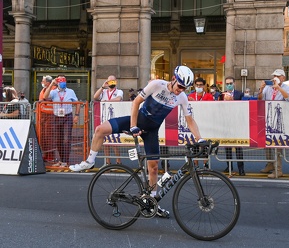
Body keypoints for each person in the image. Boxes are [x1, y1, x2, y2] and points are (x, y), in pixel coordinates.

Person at [69, 66, 205, 217]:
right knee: (100, 130)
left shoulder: (181, 97)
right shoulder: (156, 85)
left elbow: (190, 120)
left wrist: (200, 139)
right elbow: (136, 103)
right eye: (180, 86)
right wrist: (133, 126)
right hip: (136, 122)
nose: (181, 90)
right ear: (173, 79)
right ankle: (89, 161)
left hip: (151, 131)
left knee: (153, 168)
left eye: (185, 88)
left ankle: (152, 203)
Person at [258, 69, 289, 179]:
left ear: (283, 77)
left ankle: (278, 170)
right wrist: (261, 88)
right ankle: (270, 164)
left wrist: (278, 88)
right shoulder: (268, 87)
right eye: (274, 75)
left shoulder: (286, 87)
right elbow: (260, 98)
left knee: (277, 144)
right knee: (267, 143)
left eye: (278, 76)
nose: (275, 77)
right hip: (268, 116)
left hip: (279, 118)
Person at [44, 75, 80, 167]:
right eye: (61, 82)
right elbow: (45, 96)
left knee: (66, 139)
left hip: (67, 117)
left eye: (64, 81)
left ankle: (65, 161)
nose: (63, 83)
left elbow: (77, 103)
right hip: (56, 117)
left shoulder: (70, 91)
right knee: (58, 139)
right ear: (58, 83)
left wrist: (76, 115)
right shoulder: (53, 92)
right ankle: (61, 159)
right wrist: (52, 83)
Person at [93, 75, 124, 167]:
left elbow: (118, 99)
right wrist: (102, 87)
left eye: (113, 81)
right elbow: (95, 97)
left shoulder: (119, 91)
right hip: (104, 118)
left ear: (116, 82)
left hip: (115, 118)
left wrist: (107, 101)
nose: (112, 83)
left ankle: (118, 161)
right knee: (105, 141)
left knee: (114, 141)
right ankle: (107, 162)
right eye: (110, 81)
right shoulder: (104, 91)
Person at [221, 76, 246, 176]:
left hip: (237, 123)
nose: (229, 85)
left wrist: (232, 101)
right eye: (227, 84)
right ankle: (229, 166)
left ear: (234, 83)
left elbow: (243, 106)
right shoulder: (221, 94)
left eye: (231, 83)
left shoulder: (239, 94)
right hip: (226, 123)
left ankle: (241, 168)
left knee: (238, 147)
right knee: (227, 146)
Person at [188, 77, 214, 168]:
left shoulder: (208, 96)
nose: (198, 86)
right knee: (195, 145)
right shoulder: (190, 96)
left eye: (200, 85)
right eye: (197, 85)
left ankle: (205, 163)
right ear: (194, 85)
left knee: (204, 145)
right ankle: (195, 164)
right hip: (194, 123)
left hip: (205, 122)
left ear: (204, 86)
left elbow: (210, 108)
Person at [38, 76, 58, 163]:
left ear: (48, 82)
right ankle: (45, 154)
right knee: (43, 137)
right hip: (43, 115)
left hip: (50, 116)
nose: (42, 82)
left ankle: (50, 156)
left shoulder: (53, 89)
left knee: (49, 137)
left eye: (43, 81)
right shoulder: (44, 89)